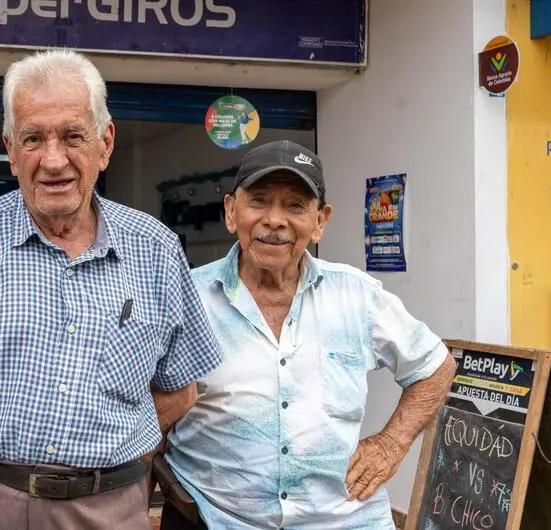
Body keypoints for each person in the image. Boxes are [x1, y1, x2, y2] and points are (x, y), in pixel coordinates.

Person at [0, 48, 222, 530]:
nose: (53, 161)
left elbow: (181, 390)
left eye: (73, 136)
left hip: (105, 508)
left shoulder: (156, 249)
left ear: (105, 142)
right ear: (9, 148)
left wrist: (109, 451)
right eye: (32, 138)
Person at [160, 140, 457, 529]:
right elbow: (144, 406)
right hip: (217, 518)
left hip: (341, 520)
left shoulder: (356, 295)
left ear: (320, 221)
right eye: (259, 201)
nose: (275, 220)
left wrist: (390, 445)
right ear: (232, 211)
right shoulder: (185, 297)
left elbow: (435, 366)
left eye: (295, 206)